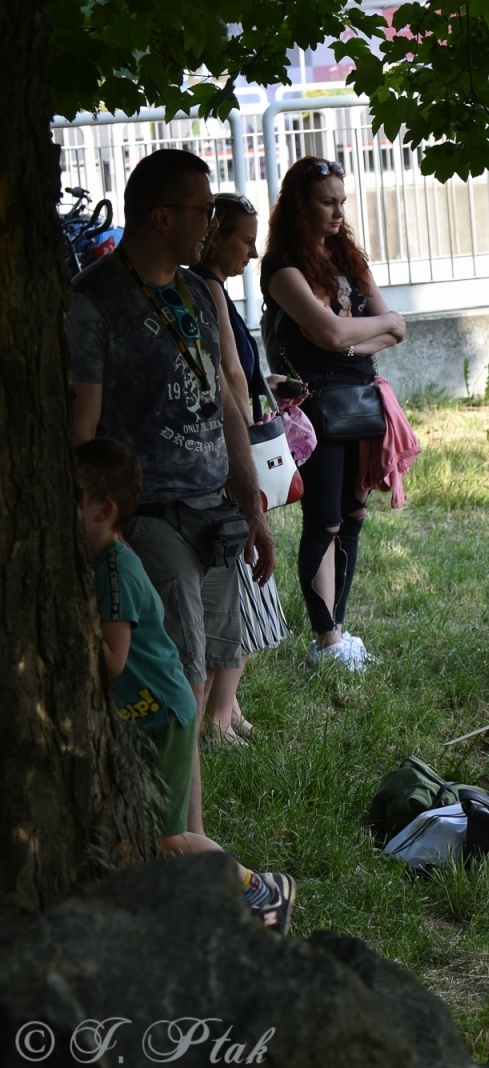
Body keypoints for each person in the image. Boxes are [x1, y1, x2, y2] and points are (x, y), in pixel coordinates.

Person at [69, 148, 273, 850]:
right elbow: (82, 427)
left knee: (207, 671)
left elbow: (226, 406)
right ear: (162, 216)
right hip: (148, 516)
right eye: (203, 210)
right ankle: (189, 842)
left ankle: (182, 838)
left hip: (214, 507)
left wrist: (252, 507)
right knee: (177, 682)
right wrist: (97, 528)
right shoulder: (94, 300)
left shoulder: (198, 292)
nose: (211, 223)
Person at [78, 438, 295, 932]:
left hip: (162, 717)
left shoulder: (114, 570)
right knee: (139, 827)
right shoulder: (100, 560)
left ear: (102, 510)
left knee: (170, 836)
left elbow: (113, 660)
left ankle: (261, 890)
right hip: (144, 715)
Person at [262, 156, 407, 670]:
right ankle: (326, 641)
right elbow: (331, 330)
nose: (339, 213)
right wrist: (353, 334)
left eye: (342, 202)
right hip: (314, 407)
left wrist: (346, 342)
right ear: (300, 206)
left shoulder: (349, 257)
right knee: (323, 521)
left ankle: (339, 636)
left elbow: (396, 327)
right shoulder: (282, 266)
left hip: (362, 403)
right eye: (327, 202)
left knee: (353, 518)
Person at [192, 192, 292, 741]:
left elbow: (240, 372)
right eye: (247, 241)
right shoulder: (206, 288)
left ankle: (226, 709)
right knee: (242, 576)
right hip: (228, 456)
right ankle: (219, 716)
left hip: (226, 449)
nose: (254, 254)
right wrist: (247, 438)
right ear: (215, 236)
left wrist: (264, 385)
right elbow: (229, 373)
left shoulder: (214, 289)